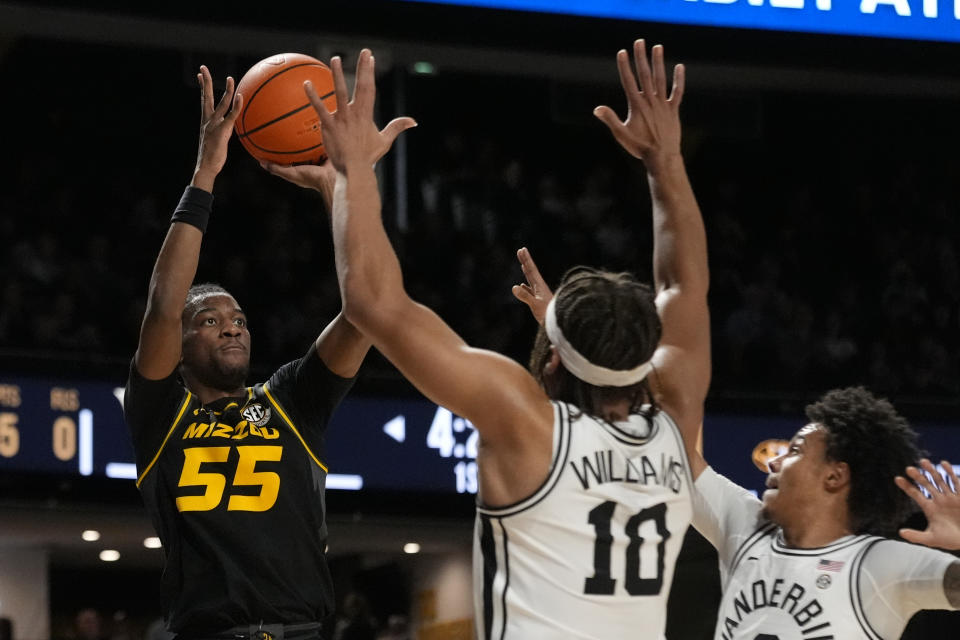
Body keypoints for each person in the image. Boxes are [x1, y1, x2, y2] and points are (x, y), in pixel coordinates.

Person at [264, 40, 709, 639]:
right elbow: (684, 287)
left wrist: (353, 174)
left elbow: (374, 303)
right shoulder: (676, 416)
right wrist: (667, 159)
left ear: (552, 355)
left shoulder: (525, 421)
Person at [123, 65, 377, 640]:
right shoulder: (162, 414)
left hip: (306, 630)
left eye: (239, 320)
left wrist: (342, 193)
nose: (231, 329)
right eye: (209, 321)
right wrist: (206, 173)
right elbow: (164, 304)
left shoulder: (291, 401)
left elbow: (368, 311)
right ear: (180, 349)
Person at [689, 386, 960, 639]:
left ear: (834, 476)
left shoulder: (877, 562)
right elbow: (676, 453)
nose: (773, 462)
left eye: (794, 450)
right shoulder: (746, 525)